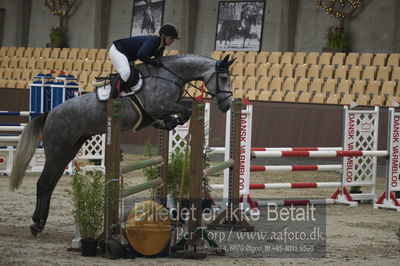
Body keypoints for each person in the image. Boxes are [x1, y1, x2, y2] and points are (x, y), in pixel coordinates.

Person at [108, 23, 179, 98]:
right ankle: (112, 99)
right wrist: (155, 62)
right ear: (164, 36)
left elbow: (158, 61)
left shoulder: (161, 46)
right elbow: (141, 55)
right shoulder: (153, 41)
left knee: (133, 74)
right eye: (172, 38)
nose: (173, 41)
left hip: (128, 55)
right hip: (118, 50)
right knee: (126, 72)